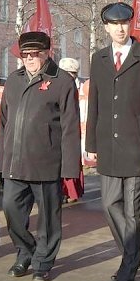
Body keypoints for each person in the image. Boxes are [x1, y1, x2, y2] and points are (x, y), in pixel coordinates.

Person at [86, 1, 140, 281]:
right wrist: (90, 144)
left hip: (136, 145)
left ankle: (127, 275)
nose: (119, 29)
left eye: (124, 23)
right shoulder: (99, 58)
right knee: (107, 204)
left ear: (131, 25)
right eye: (114, 24)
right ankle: (132, 255)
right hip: (107, 145)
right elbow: (94, 103)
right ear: (105, 27)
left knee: (133, 212)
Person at [0, 32, 81, 281]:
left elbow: (70, 127)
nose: (30, 59)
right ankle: (25, 252)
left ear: (47, 53)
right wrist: (0, 160)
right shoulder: (13, 80)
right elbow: (3, 124)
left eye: (35, 54)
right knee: (11, 210)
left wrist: (69, 168)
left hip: (46, 164)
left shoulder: (62, 81)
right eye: (25, 55)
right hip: (14, 163)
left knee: (48, 219)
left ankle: (43, 261)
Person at [58, 57, 85, 203]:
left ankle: (71, 191)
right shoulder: (59, 84)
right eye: (69, 72)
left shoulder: (73, 86)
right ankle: (64, 191)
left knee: (71, 160)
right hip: (60, 129)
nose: (72, 76)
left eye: (74, 73)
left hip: (71, 128)